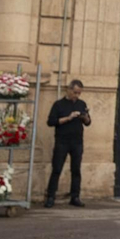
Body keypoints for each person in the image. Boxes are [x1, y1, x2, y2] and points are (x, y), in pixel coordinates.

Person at [44, 79, 91, 208]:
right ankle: (50, 196)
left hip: (77, 141)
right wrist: (68, 118)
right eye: (75, 92)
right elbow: (51, 122)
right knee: (57, 169)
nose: (77, 95)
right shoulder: (58, 104)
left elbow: (88, 123)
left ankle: (75, 196)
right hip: (62, 141)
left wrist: (85, 117)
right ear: (69, 90)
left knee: (76, 170)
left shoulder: (82, 104)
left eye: (79, 93)